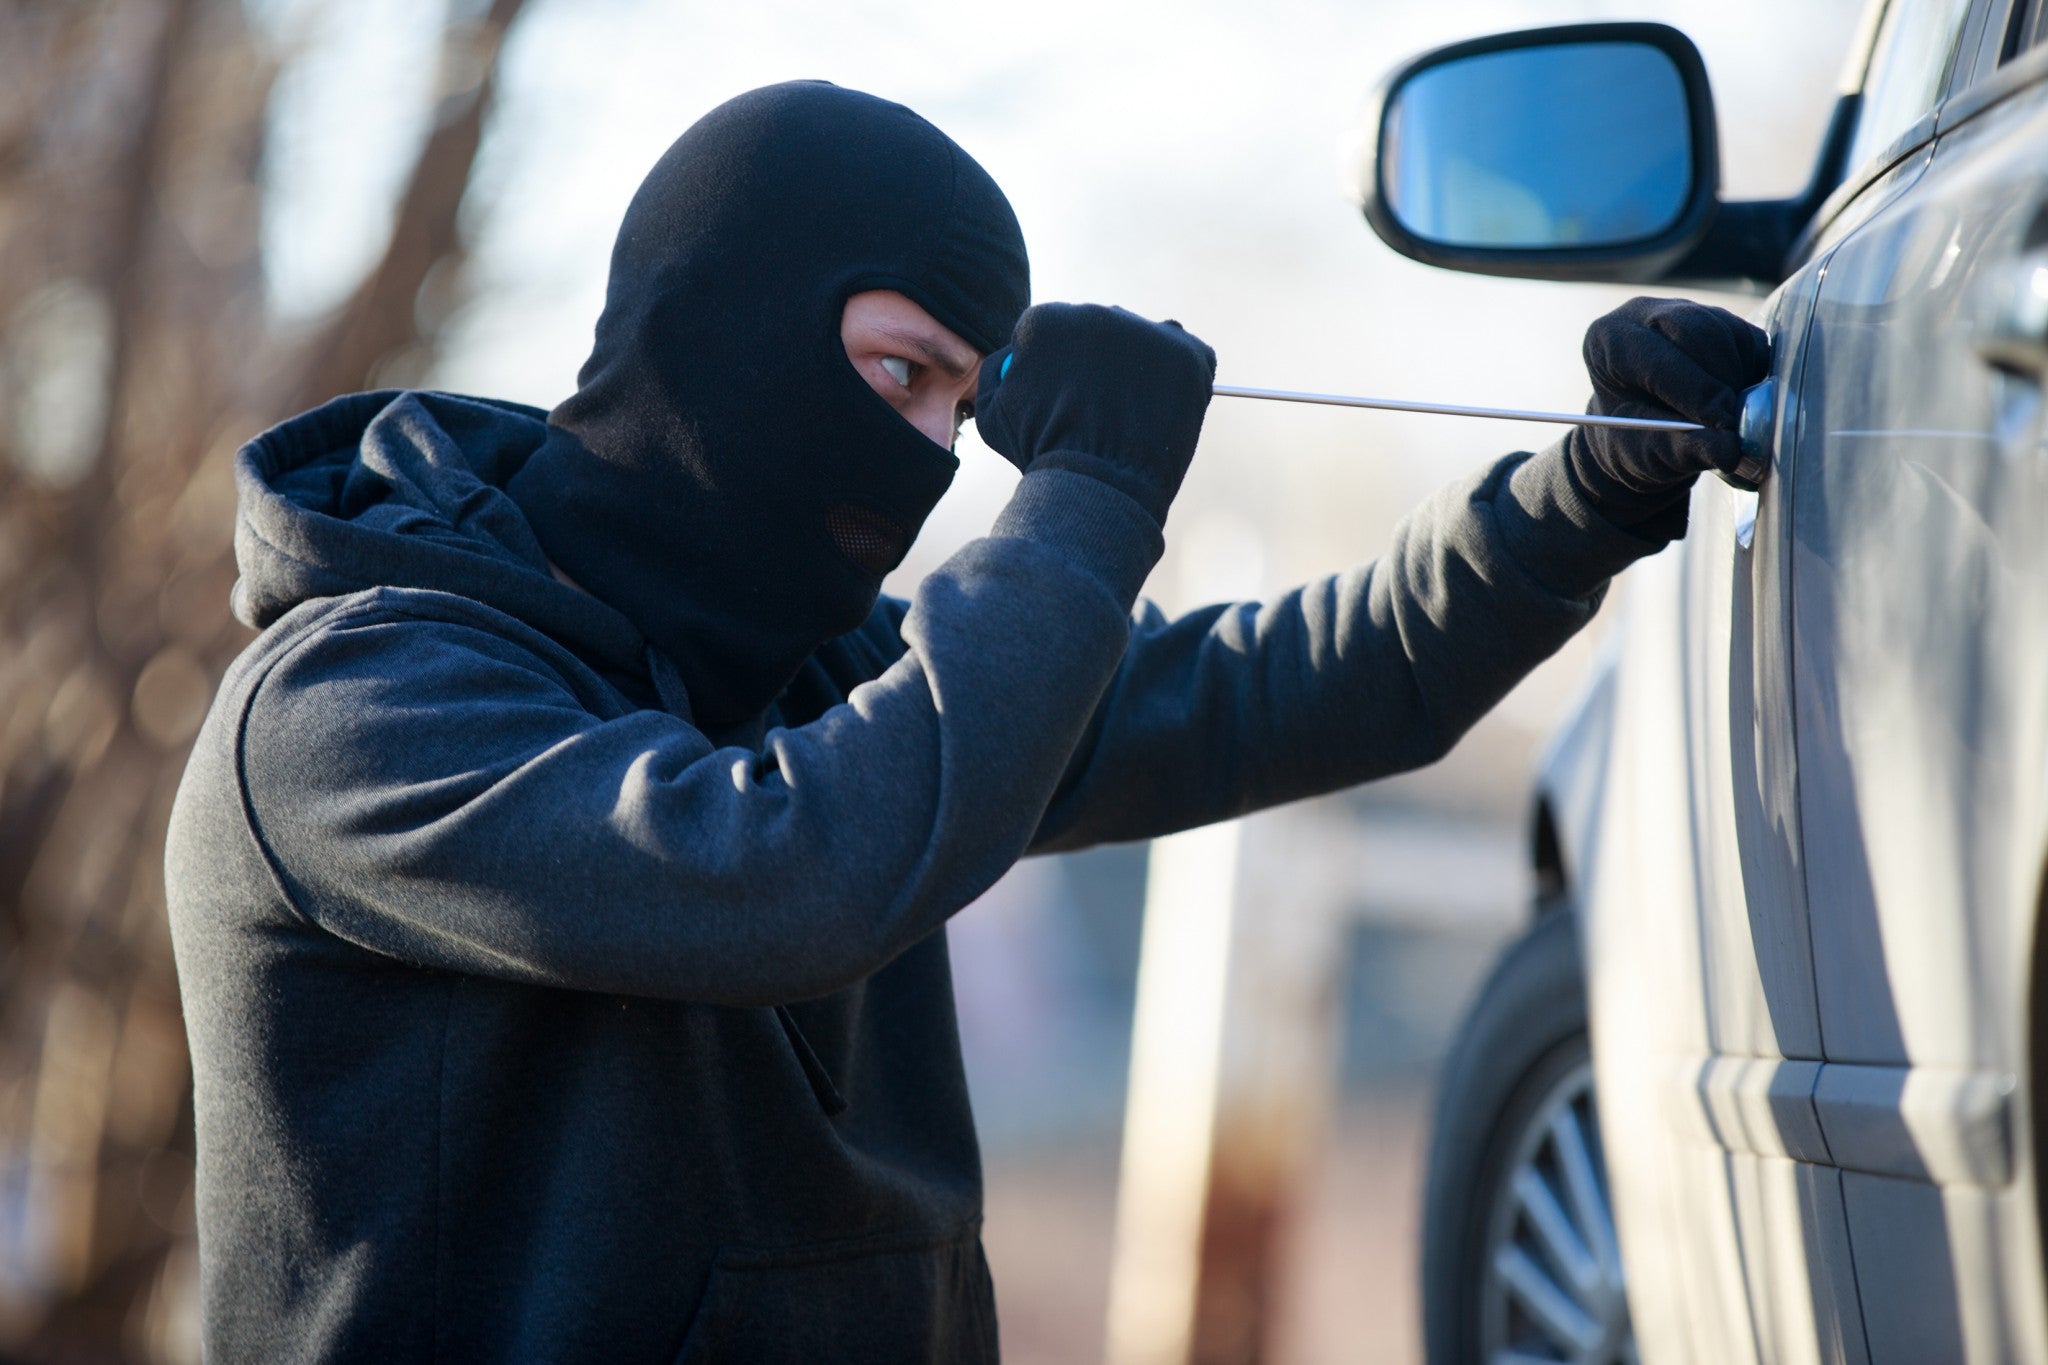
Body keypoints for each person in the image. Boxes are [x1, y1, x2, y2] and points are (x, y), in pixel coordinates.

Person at [165, 80, 1766, 1362]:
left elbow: (1268, 687)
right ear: (725, 327)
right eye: (897, 374)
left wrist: (1580, 497)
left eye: (961, 402)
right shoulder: (351, 711)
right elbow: (789, 872)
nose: (929, 455)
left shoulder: (821, 674)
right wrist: (1085, 500)